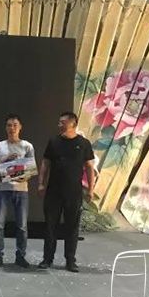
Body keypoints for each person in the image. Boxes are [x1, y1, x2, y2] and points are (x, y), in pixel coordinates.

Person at [37, 111, 95, 273]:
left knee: (72, 227)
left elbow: (89, 167)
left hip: (74, 192)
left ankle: (70, 260)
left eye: (62, 122)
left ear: (72, 123)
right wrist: (41, 184)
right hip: (53, 191)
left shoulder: (83, 143)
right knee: (50, 226)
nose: (59, 125)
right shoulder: (54, 142)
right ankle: (47, 258)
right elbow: (45, 164)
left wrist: (91, 189)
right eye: (59, 122)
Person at [0, 114, 35, 269]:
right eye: (9, 125)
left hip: (21, 189)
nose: (12, 128)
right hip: (3, 188)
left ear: (20, 127)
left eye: (15, 125)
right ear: (6, 127)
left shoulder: (27, 146)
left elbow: (31, 168)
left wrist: (21, 172)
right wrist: (6, 159)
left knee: (22, 226)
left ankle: (20, 256)